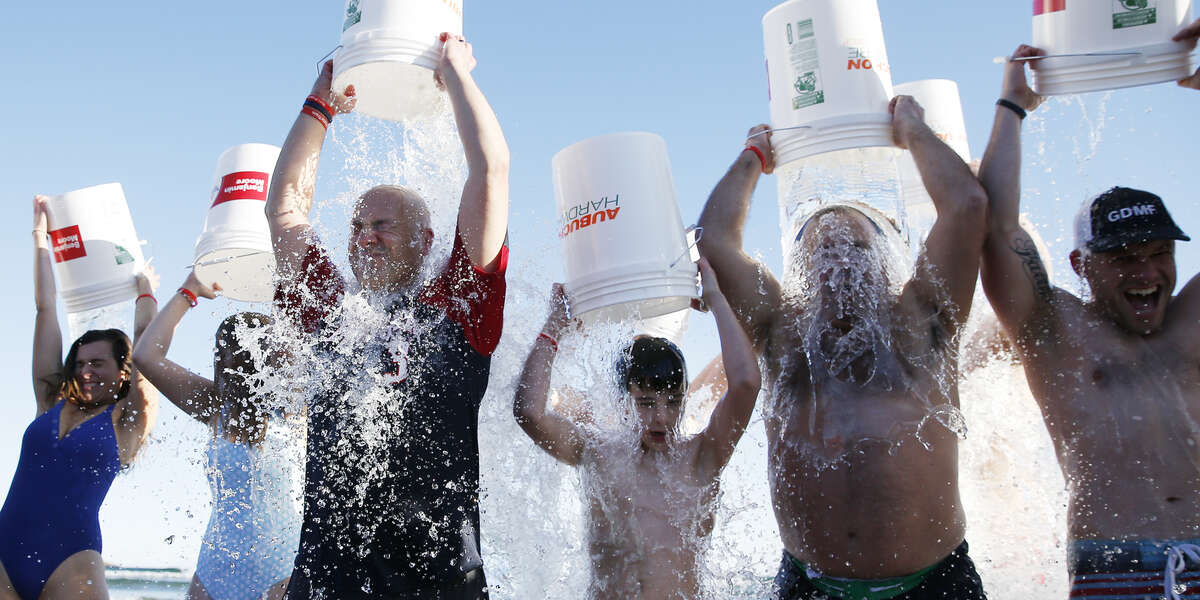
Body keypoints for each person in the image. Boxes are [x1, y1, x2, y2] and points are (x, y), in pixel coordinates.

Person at [697, 96, 990, 599]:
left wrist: (912, 129)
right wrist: (755, 156)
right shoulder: (783, 338)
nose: (839, 267)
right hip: (811, 586)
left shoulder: (923, 328)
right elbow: (715, 241)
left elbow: (967, 206)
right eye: (821, 253)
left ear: (885, 262)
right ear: (800, 276)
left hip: (933, 584)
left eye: (855, 248)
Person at [268, 33, 509, 599]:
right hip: (330, 577)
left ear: (426, 241)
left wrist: (457, 78)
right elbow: (284, 210)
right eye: (356, 227)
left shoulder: (460, 306)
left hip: (442, 575)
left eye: (383, 226)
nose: (365, 238)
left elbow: (490, 171)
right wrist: (319, 107)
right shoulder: (332, 309)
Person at [977, 33, 1200, 598]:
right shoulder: (1056, 329)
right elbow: (997, 229)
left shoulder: (1195, 316)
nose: (1147, 273)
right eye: (1124, 259)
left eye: (1159, 254)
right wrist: (1011, 107)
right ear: (1080, 264)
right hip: (1114, 568)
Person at [513, 259, 761, 599]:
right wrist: (554, 326)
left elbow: (746, 383)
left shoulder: (702, 458)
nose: (661, 417)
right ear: (622, 402)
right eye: (645, 403)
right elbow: (529, 412)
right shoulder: (598, 455)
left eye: (672, 402)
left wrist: (716, 299)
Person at [0, 195, 159, 599]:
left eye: (97, 363)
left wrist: (146, 296)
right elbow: (45, 309)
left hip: (71, 559)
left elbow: (147, 349)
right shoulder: (51, 401)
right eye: (80, 362)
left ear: (122, 371)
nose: (85, 371)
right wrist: (40, 236)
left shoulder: (128, 420)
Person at [131, 271, 303, 600]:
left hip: (282, 567)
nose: (226, 359)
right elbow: (145, 356)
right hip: (215, 567)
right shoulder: (216, 408)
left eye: (238, 351)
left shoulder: (296, 409)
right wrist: (189, 291)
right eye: (222, 350)